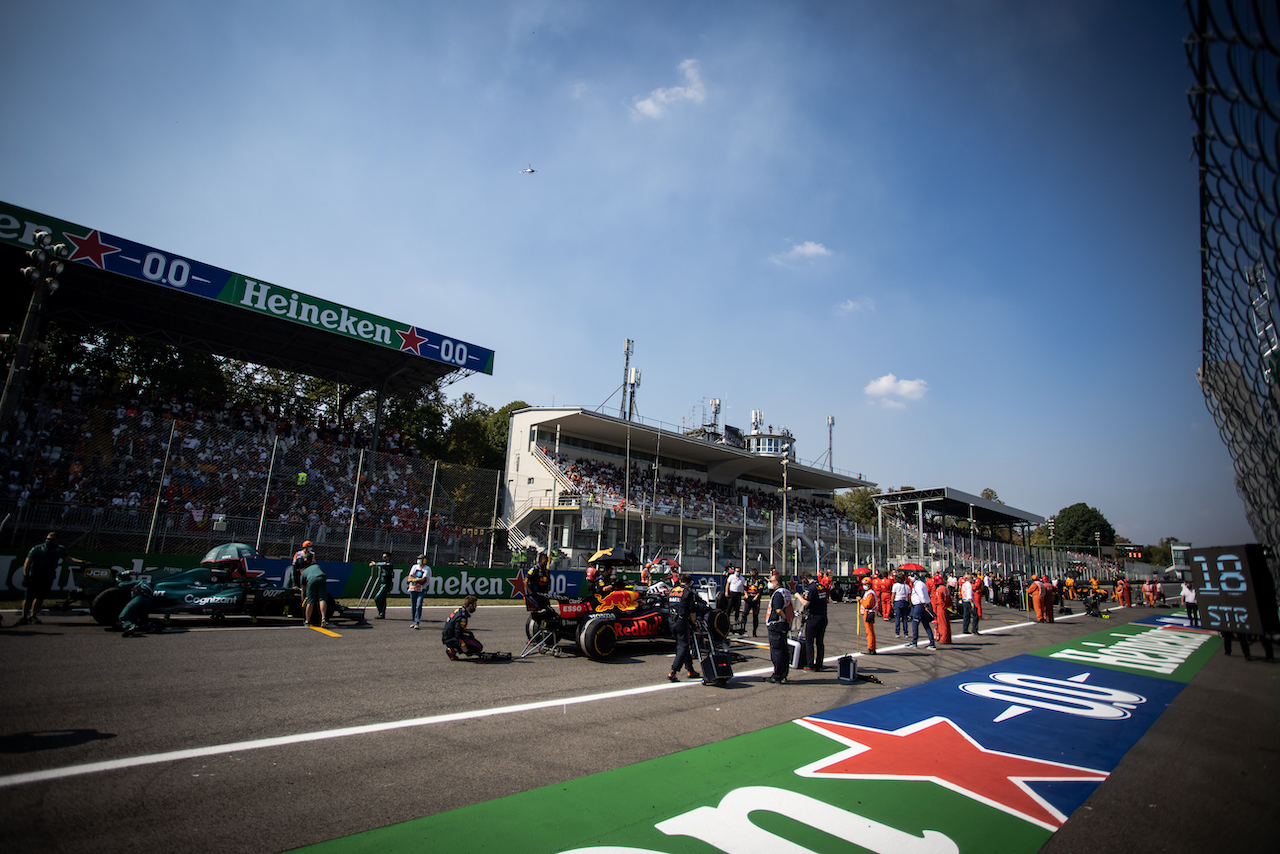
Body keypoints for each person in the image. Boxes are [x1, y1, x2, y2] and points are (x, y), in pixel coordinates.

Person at [19, 531, 87, 625]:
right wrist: (26, 576)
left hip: (48, 576)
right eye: (48, 539)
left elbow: (69, 560)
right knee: (29, 597)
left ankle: (33, 615)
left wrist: (82, 562)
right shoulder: (37, 549)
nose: (49, 541)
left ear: (57, 540)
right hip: (34, 576)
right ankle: (23, 617)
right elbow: (27, 563)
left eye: (52, 539)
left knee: (40, 597)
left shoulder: (60, 549)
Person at [666, 573, 703, 682]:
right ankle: (673, 671)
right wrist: (694, 623)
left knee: (683, 645)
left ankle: (690, 669)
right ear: (690, 582)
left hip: (671, 620)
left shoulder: (672, 590)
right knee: (684, 646)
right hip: (681, 621)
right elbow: (692, 611)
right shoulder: (688, 592)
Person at [764, 573, 794, 683]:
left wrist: (785, 618)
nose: (770, 583)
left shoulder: (777, 594)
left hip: (776, 624)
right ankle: (783, 673)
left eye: (771, 581)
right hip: (782, 625)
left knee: (777, 651)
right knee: (783, 650)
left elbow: (778, 610)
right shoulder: (786, 592)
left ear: (777, 582)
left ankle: (777, 675)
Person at [798, 571, 829, 670]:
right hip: (823, 616)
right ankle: (819, 663)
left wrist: (798, 596)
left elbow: (805, 603)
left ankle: (809, 663)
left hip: (814, 617)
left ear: (805, 579)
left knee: (809, 641)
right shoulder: (821, 586)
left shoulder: (810, 589)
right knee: (820, 642)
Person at [442, 595, 483, 660]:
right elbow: (458, 633)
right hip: (451, 638)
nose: (476, 607)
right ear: (470, 605)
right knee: (478, 647)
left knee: (470, 636)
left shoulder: (459, 610)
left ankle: (453, 648)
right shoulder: (462, 617)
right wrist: (464, 648)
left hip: (447, 635)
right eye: (475, 605)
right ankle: (452, 649)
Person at [907, 573, 936, 649]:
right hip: (922, 605)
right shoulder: (922, 584)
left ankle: (914, 641)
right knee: (926, 624)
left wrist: (924, 604)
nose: (910, 578)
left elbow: (921, 595)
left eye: (912, 576)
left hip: (919, 605)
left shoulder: (918, 585)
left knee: (915, 623)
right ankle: (932, 642)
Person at [300, 562, 330, 628]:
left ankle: (307, 621)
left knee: (310, 601)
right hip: (322, 578)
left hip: (312, 580)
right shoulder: (316, 566)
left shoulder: (303, 574)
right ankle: (323, 618)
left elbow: (303, 589)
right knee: (322, 599)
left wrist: (303, 600)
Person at [406, 556, 431, 629]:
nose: (419, 560)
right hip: (413, 588)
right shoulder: (414, 567)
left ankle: (417, 621)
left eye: (421, 559)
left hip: (421, 589)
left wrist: (413, 580)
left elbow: (423, 579)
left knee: (419, 605)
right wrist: (415, 580)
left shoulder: (427, 569)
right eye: (418, 559)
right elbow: (409, 577)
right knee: (413, 606)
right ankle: (414, 621)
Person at [368, 552, 395, 619]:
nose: (383, 558)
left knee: (377, 597)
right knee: (382, 599)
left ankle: (381, 612)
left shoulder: (389, 564)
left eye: (385, 557)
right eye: (383, 557)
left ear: (388, 557)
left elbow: (383, 564)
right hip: (382, 583)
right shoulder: (383, 564)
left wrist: (375, 564)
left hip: (386, 584)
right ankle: (382, 613)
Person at [931, 574, 953, 645]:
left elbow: (940, 600)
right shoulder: (946, 588)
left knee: (942, 624)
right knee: (947, 623)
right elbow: (950, 599)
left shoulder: (938, 589)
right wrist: (949, 607)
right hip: (947, 607)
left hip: (941, 608)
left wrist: (943, 606)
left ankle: (943, 639)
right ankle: (948, 638)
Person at [858, 577, 878, 655]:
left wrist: (860, 600)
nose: (864, 586)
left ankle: (870, 648)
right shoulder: (868, 592)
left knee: (869, 631)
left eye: (866, 584)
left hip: (868, 612)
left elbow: (867, 604)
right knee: (869, 631)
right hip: (867, 612)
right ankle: (871, 647)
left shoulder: (870, 593)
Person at [725, 566, 746, 633]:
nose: (737, 572)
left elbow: (744, 586)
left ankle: (736, 619)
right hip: (732, 593)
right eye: (736, 571)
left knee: (737, 607)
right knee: (729, 606)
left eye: (738, 571)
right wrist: (726, 591)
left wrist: (745, 594)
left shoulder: (742, 578)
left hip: (738, 594)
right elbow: (727, 584)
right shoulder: (731, 577)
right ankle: (726, 618)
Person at [891, 572, 911, 638]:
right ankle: (906, 633)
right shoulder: (906, 586)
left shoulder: (895, 585)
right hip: (905, 601)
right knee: (904, 618)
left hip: (897, 601)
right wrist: (910, 603)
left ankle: (897, 633)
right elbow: (909, 595)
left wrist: (892, 602)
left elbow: (893, 594)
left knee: (897, 617)